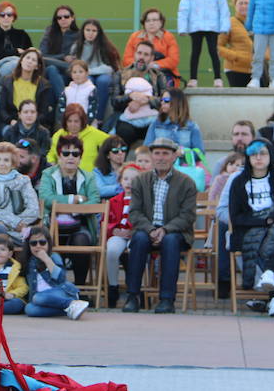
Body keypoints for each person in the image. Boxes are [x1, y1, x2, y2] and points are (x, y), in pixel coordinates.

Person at [123, 137, 197, 314]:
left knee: (170, 241)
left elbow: (188, 215)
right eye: (157, 153)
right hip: (147, 228)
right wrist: (150, 229)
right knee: (139, 239)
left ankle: (166, 299)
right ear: (152, 156)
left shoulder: (186, 182)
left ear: (174, 156)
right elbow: (134, 212)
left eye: (165, 153)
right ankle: (133, 296)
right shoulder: (140, 181)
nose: (161, 157)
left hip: (176, 231)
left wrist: (165, 229)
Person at [227, 138, 274, 316]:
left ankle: (272, 292)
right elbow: (236, 217)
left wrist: (271, 221)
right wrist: (264, 222)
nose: (258, 158)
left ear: (270, 157)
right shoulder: (239, 182)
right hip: (247, 232)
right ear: (248, 158)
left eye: (263, 153)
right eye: (253, 154)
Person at [39, 134, 100, 287]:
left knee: (82, 242)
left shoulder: (88, 177)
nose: (70, 157)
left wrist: (69, 209)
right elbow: (46, 198)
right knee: (46, 242)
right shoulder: (48, 174)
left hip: (81, 226)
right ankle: (56, 287)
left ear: (80, 157)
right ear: (59, 155)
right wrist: (76, 200)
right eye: (66, 153)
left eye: (75, 153)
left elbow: (95, 201)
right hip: (52, 226)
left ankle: (79, 287)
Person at [0, 141, 39, 255]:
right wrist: (14, 222)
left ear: (13, 163)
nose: (1, 163)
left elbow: (33, 210)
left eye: (6, 160)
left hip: (16, 233)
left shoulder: (23, 181)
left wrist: (11, 225)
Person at [177, 0, 230, 88]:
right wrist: (183, 28)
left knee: (213, 51)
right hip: (195, 27)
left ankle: (218, 78)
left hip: (212, 26)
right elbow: (183, 9)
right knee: (195, 52)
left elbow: (223, 8)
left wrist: (224, 26)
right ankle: (193, 79)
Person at [21, 228, 89, 319]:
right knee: (30, 309)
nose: (38, 246)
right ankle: (69, 309)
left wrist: (47, 260)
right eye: (33, 243)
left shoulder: (54, 256)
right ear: (28, 246)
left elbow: (61, 279)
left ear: (48, 243)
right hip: (42, 299)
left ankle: (72, 303)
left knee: (38, 298)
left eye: (42, 242)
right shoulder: (28, 262)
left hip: (62, 292)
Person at [111, 40, 168, 145]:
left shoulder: (159, 76)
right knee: (124, 132)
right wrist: (130, 97)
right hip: (128, 119)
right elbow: (114, 102)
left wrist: (146, 100)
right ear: (134, 54)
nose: (141, 57)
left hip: (151, 119)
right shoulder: (120, 74)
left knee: (159, 131)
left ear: (152, 58)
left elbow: (166, 100)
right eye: (139, 53)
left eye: (146, 55)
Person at [0, 48, 55, 138]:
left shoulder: (43, 85)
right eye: (27, 58)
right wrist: (11, 121)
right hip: (11, 121)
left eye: (33, 60)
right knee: (11, 133)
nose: (29, 61)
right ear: (21, 60)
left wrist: (29, 122)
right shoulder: (8, 81)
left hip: (33, 122)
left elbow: (43, 113)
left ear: (37, 66)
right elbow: (2, 110)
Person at [106, 162, 141, 307]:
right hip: (118, 233)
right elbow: (106, 220)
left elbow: (145, 218)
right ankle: (113, 286)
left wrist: (134, 231)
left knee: (136, 251)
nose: (129, 183)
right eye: (126, 179)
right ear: (120, 180)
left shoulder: (143, 200)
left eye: (133, 180)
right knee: (112, 250)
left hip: (135, 234)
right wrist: (113, 230)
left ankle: (134, 288)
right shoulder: (113, 201)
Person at [69, 19, 119, 121]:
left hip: (102, 74)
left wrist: (89, 71)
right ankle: (84, 117)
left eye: (94, 31)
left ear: (98, 32)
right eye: (88, 30)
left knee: (103, 81)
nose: (90, 33)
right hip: (87, 75)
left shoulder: (105, 46)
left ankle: (98, 119)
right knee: (89, 82)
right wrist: (86, 73)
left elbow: (109, 68)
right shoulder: (76, 47)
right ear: (83, 31)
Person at [121, 8, 181, 86]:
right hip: (137, 73)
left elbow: (173, 60)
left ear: (161, 22)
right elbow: (126, 59)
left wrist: (154, 64)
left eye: (154, 20)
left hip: (162, 73)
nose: (151, 23)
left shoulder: (168, 37)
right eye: (148, 21)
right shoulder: (134, 37)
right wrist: (142, 65)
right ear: (144, 23)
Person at [46, 103, 108, 172]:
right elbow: (51, 155)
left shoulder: (95, 134)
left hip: (88, 178)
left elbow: (112, 144)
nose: (73, 124)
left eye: (76, 121)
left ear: (82, 121)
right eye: (69, 121)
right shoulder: (58, 135)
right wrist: (51, 166)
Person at [144, 88, 205, 153]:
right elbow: (146, 149)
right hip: (161, 162)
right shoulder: (156, 124)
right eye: (161, 100)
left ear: (177, 102)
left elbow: (200, 152)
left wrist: (182, 152)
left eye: (166, 100)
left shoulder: (192, 127)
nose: (162, 102)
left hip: (183, 162)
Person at [0, 0, 32, 81]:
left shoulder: (22, 34)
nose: (6, 17)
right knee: (16, 62)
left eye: (9, 15)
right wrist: (16, 51)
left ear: (13, 17)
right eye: (2, 15)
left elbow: (29, 54)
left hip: (20, 70)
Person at [38, 5, 79, 95]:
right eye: (59, 18)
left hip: (67, 74)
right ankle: (63, 103)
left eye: (66, 16)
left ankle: (59, 106)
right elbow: (42, 56)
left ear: (72, 18)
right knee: (52, 69)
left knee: (52, 85)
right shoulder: (49, 33)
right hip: (50, 71)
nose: (63, 19)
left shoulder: (78, 35)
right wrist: (63, 57)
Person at [218, 0, 256, 87]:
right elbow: (218, 46)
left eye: (247, 3)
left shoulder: (258, 23)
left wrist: (265, 56)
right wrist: (235, 56)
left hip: (257, 70)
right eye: (240, 3)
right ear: (235, 5)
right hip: (236, 69)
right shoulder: (228, 22)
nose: (244, 6)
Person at [56, 59, 98, 126]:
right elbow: (61, 107)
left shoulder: (91, 89)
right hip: (69, 125)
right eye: (74, 72)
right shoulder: (67, 90)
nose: (77, 75)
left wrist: (86, 123)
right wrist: (63, 122)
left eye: (81, 72)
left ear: (87, 73)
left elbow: (93, 109)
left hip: (86, 125)